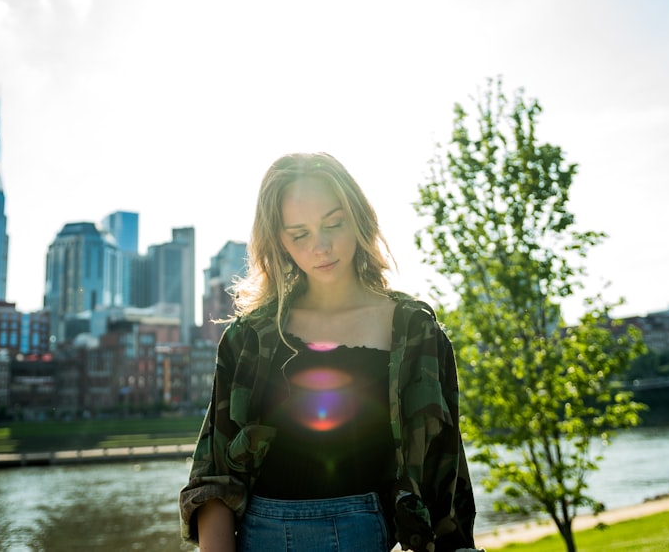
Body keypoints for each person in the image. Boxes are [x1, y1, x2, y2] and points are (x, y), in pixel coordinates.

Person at [179, 152, 480, 552]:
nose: (321, 246)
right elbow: (213, 480)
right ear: (280, 242)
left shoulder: (416, 334)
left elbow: (447, 485)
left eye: (333, 223)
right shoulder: (249, 338)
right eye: (299, 234)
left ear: (358, 218)